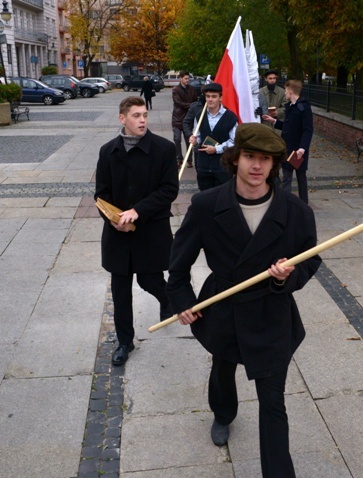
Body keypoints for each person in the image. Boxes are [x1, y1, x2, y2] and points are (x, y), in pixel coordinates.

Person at [166, 122, 321, 477]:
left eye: (265, 159)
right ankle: (223, 413)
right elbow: (178, 264)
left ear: (274, 164)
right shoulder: (206, 206)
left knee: (273, 402)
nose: (257, 166)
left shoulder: (296, 211)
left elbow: (311, 259)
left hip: (271, 311)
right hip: (222, 304)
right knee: (223, 367)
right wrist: (181, 299)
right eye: (250, 156)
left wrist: (288, 277)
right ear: (235, 159)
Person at [95, 96, 179, 366]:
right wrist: (111, 217)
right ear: (123, 119)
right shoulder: (108, 151)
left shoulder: (164, 149)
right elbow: (101, 194)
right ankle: (124, 342)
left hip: (150, 232)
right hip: (118, 235)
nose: (142, 120)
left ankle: (166, 299)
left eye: (144, 115)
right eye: (136, 115)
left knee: (149, 280)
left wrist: (138, 211)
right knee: (121, 291)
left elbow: (169, 189)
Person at [262, 79, 313, 204]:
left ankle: (303, 204)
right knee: (286, 177)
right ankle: (285, 203)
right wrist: (273, 121)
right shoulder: (290, 106)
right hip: (288, 148)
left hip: (298, 150)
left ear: (290, 91)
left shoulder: (303, 107)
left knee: (301, 178)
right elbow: (288, 126)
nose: (284, 93)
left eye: (286, 91)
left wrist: (302, 148)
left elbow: (308, 130)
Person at [187, 82, 238, 191]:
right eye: (208, 96)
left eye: (214, 96)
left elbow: (234, 141)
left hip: (222, 166)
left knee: (222, 198)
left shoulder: (230, 117)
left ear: (221, 98)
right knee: (205, 197)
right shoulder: (199, 115)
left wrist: (217, 149)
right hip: (204, 166)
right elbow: (199, 136)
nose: (210, 99)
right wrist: (195, 141)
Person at [172, 70, 198, 168]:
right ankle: (179, 159)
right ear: (181, 79)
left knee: (189, 140)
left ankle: (189, 160)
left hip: (188, 119)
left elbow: (196, 101)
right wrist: (192, 106)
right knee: (177, 139)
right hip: (177, 119)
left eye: (188, 78)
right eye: (186, 78)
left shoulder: (192, 89)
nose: (188, 80)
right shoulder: (175, 90)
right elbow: (179, 103)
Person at [182, 93, 205, 171]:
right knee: (200, 171)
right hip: (198, 144)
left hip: (214, 146)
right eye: (208, 96)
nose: (210, 99)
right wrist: (190, 135)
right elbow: (186, 122)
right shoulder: (195, 107)